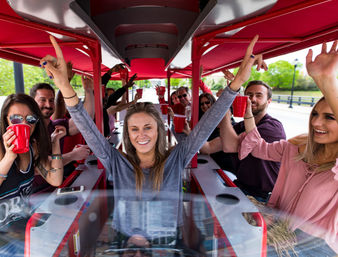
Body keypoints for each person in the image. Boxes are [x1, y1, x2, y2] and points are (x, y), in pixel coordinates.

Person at [40, 34, 264, 237]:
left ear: (159, 130)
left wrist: (236, 84)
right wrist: (64, 86)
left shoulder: (176, 159)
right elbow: (87, 127)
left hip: (168, 243)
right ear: (127, 134)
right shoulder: (116, 162)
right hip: (126, 243)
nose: (141, 135)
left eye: (148, 127)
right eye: (134, 129)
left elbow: (206, 124)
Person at [239, 41, 338, 255]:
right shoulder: (295, 149)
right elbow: (257, 147)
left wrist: (326, 81)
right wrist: (248, 111)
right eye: (314, 115)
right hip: (278, 231)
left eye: (329, 117)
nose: (316, 123)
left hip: (316, 248)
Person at [0, 94, 65, 256]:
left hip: (22, 234)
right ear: (6, 120)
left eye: (31, 119)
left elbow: (55, 179)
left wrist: (54, 144)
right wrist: (9, 156)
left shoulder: (32, 147)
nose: (24, 124)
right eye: (16, 119)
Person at [202, 80, 286, 202]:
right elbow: (209, 147)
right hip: (242, 187)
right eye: (249, 95)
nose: (252, 99)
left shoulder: (272, 126)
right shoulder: (241, 126)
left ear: (269, 101)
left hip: (262, 197)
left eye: (258, 95)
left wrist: (225, 107)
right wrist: (188, 134)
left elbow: (230, 146)